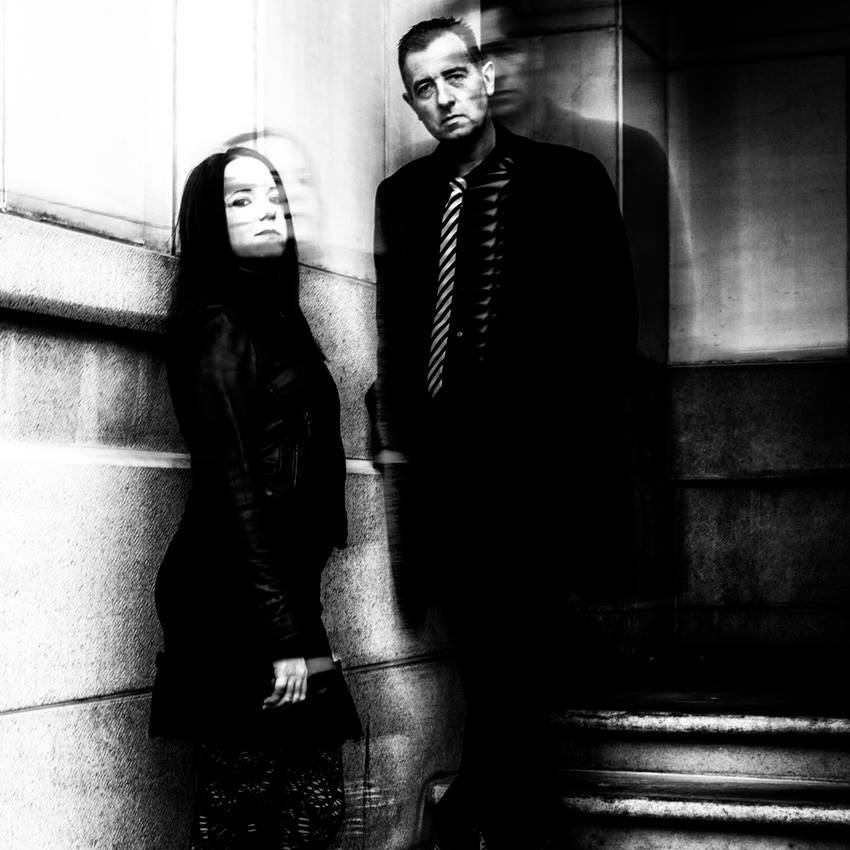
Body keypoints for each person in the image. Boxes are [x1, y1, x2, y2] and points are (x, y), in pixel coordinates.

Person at [373, 18, 636, 850]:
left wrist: (585, 474)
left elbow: (610, 331)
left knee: (516, 663)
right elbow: (397, 336)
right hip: (446, 479)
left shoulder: (569, 179)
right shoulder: (401, 197)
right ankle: (492, 813)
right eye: (424, 88)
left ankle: (483, 816)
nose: (443, 98)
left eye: (454, 76)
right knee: (490, 668)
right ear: (412, 104)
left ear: (484, 76)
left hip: (535, 476)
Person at [150, 146, 360, 849]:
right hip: (234, 602)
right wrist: (285, 638)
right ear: (209, 220)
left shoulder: (270, 316)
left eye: (273, 194)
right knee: (255, 806)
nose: (268, 208)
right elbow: (232, 489)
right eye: (241, 198)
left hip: (273, 596)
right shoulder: (216, 323)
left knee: (296, 804)